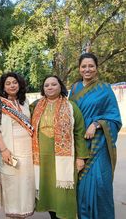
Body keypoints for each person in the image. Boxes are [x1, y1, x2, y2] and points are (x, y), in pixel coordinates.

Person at [69, 53, 122, 219]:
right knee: (82, 187)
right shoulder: (75, 88)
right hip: (79, 144)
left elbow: (115, 118)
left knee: (100, 185)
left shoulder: (105, 89)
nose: (87, 69)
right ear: (79, 68)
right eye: (84, 66)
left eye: (91, 66)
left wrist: (97, 124)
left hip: (99, 145)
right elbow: (71, 115)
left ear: (97, 68)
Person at [31, 75, 89, 219]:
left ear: (60, 87)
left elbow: (79, 132)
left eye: (53, 84)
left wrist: (81, 157)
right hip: (42, 160)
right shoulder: (35, 106)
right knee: (49, 194)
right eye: (46, 85)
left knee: (63, 194)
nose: (50, 87)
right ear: (43, 89)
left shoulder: (71, 107)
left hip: (64, 161)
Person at [0, 72, 35, 218]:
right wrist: (3, 150)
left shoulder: (25, 102)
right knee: (12, 189)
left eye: (14, 82)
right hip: (9, 151)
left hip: (28, 153)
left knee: (26, 187)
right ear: (3, 87)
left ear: (19, 84)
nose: (12, 85)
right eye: (8, 83)